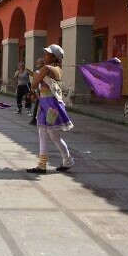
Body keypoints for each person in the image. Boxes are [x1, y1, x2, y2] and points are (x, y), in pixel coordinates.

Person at [26, 44, 75, 174]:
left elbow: (34, 84)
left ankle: (42, 165)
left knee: (44, 135)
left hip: (48, 105)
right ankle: (67, 160)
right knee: (54, 136)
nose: (44, 56)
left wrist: (37, 72)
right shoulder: (58, 69)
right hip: (51, 104)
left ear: (53, 56)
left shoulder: (46, 68)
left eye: (47, 54)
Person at [28, 57, 45, 125]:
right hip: (47, 92)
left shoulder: (38, 72)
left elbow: (35, 83)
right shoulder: (47, 70)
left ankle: (35, 119)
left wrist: (33, 91)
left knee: (38, 106)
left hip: (41, 91)